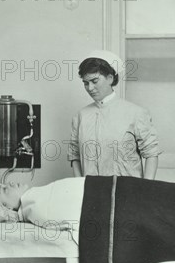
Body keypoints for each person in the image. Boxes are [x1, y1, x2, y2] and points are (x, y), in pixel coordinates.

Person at [69, 50, 161, 179]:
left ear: (110, 78)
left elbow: (151, 153)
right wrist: (79, 185)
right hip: (91, 192)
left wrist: (144, 190)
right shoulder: (81, 116)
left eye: (95, 81)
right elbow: (75, 156)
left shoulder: (136, 113)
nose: (90, 88)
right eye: (85, 83)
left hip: (128, 193)